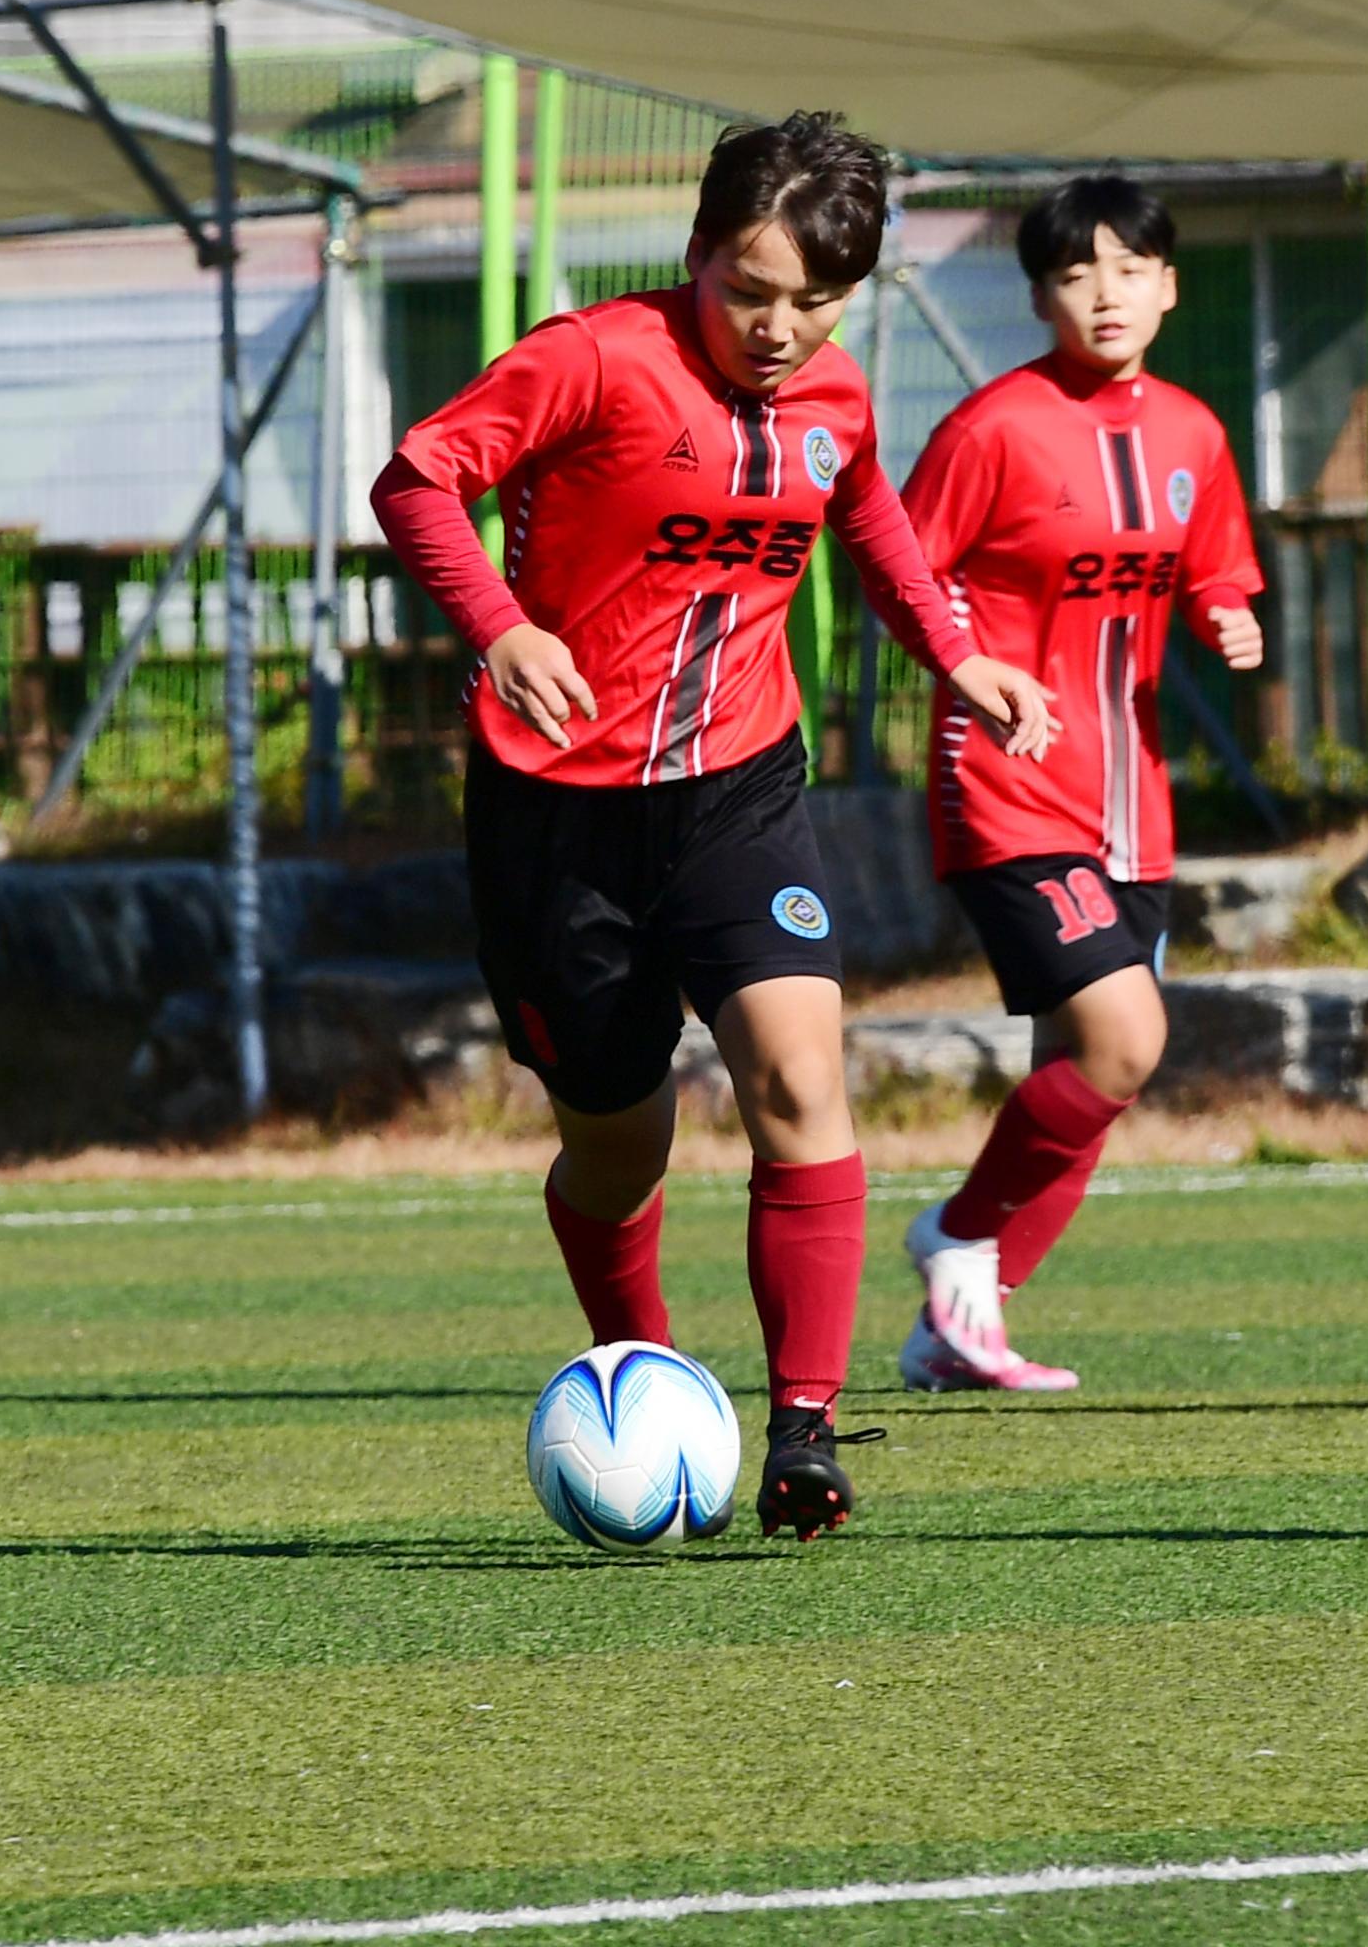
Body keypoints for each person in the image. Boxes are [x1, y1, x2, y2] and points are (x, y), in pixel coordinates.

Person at [369, 111, 1059, 1539]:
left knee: (802, 1081)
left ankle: (804, 1429)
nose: (779, 328)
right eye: (749, 290)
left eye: (815, 302)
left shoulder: (840, 396)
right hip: (555, 816)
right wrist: (498, 629)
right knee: (619, 1150)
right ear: (696, 254)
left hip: (738, 789)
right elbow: (418, 478)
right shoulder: (592, 360)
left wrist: (958, 652)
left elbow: (866, 512)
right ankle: (646, 1369)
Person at [889, 175, 1264, 1391]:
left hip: (1132, 799)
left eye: (1127, 267)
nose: (1103, 292)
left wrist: (1225, 614)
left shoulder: (1194, 433)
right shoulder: (992, 427)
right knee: (1123, 1038)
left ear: (1168, 284)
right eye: (1072, 273)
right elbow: (903, 571)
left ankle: (964, 1325)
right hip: (1008, 783)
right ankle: (954, 1233)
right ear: (1040, 293)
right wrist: (977, 661)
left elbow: (1214, 568)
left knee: (1089, 1079)